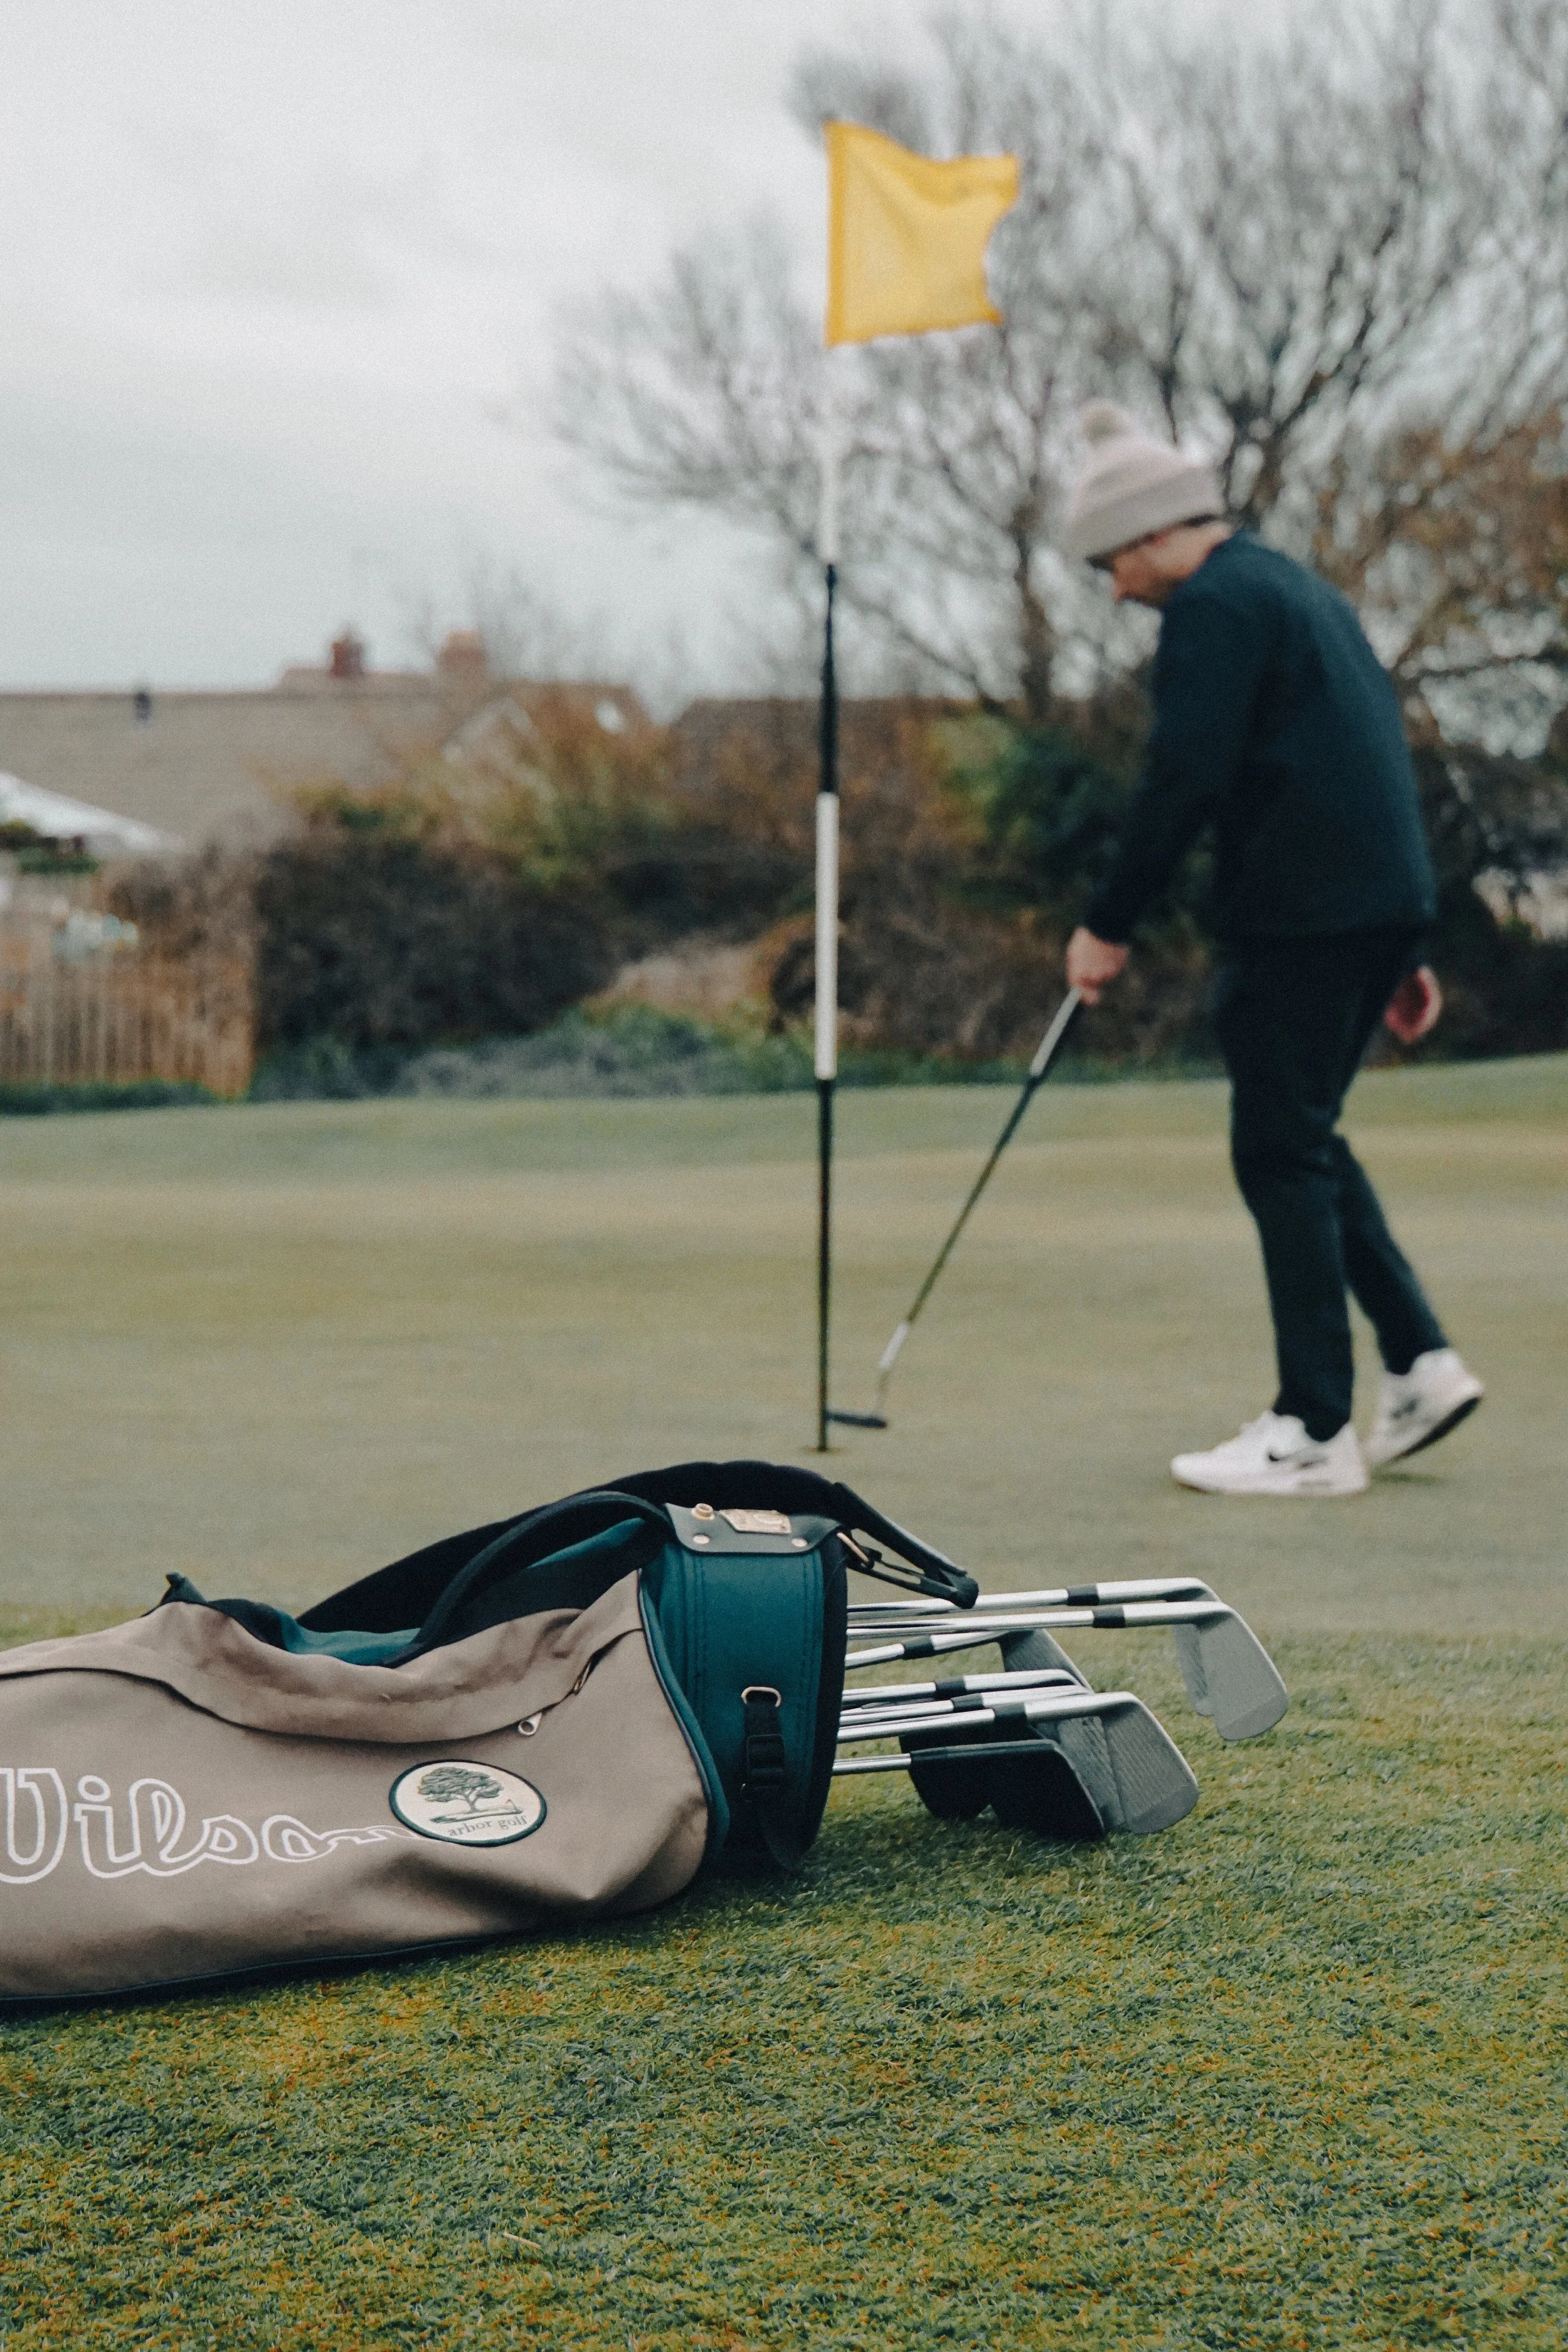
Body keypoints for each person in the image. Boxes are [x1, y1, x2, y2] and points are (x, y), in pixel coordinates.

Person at [1059, 400, 1483, 1498]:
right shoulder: (1295, 588)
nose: (1115, 588)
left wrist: (1109, 918)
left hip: (1307, 917)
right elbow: (1362, 755)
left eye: (1112, 562)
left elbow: (1183, 779)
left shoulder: (1215, 607)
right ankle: (1421, 1359)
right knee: (1305, 1136)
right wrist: (1399, 940)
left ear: (1156, 534)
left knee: (1278, 1149)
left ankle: (1312, 1430)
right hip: (1366, 907)